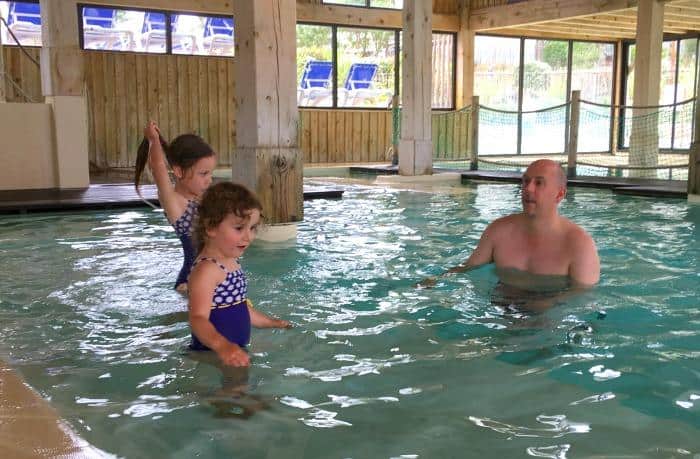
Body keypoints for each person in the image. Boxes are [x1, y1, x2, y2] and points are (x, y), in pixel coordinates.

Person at [419, 159, 600, 306]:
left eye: (539, 183)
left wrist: (545, 305)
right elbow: (469, 267)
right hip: (501, 310)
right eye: (525, 181)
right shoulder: (499, 231)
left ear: (559, 195)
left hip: (551, 318)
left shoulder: (579, 244)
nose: (528, 189)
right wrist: (437, 279)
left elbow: (583, 296)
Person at [188, 181, 290, 367]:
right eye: (239, 228)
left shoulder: (230, 261)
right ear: (211, 227)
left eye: (252, 228)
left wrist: (271, 322)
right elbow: (197, 319)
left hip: (234, 352)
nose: (248, 236)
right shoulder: (207, 270)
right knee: (235, 394)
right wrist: (223, 346)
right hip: (213, 355)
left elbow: (238, 306)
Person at [135, 121, 216, 292]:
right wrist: (154, 140)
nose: (210, 179)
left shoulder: (203, 198)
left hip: (212, 277)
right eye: (203, 173)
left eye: (211, 173)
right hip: (191, 282)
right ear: (178, 172)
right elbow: (158, 168)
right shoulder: (176, 203)